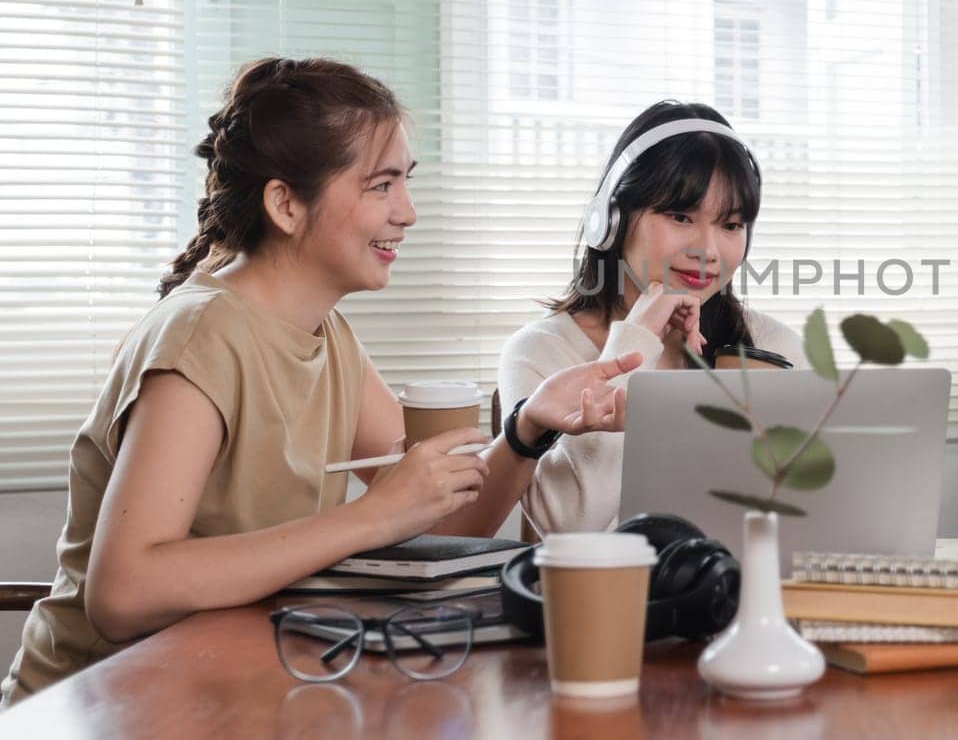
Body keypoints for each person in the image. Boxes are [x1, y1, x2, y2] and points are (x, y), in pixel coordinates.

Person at [1, 59, 634, 705]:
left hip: (223, 690)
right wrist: (367, 518)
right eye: (381, 185)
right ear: (285, 203)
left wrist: (529, 428)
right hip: (94, 708)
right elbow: (123, 591)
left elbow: (444, 525)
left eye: (404, 184)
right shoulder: (201, 339)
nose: (408, 212)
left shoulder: (327, 336)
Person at [499, 101, 805, 534]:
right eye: (681, 216)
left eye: (731, 225)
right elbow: (570, 529)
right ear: (610, 220)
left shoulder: (775, 348)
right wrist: (633, 343)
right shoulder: (541, 352)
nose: (709, 249)